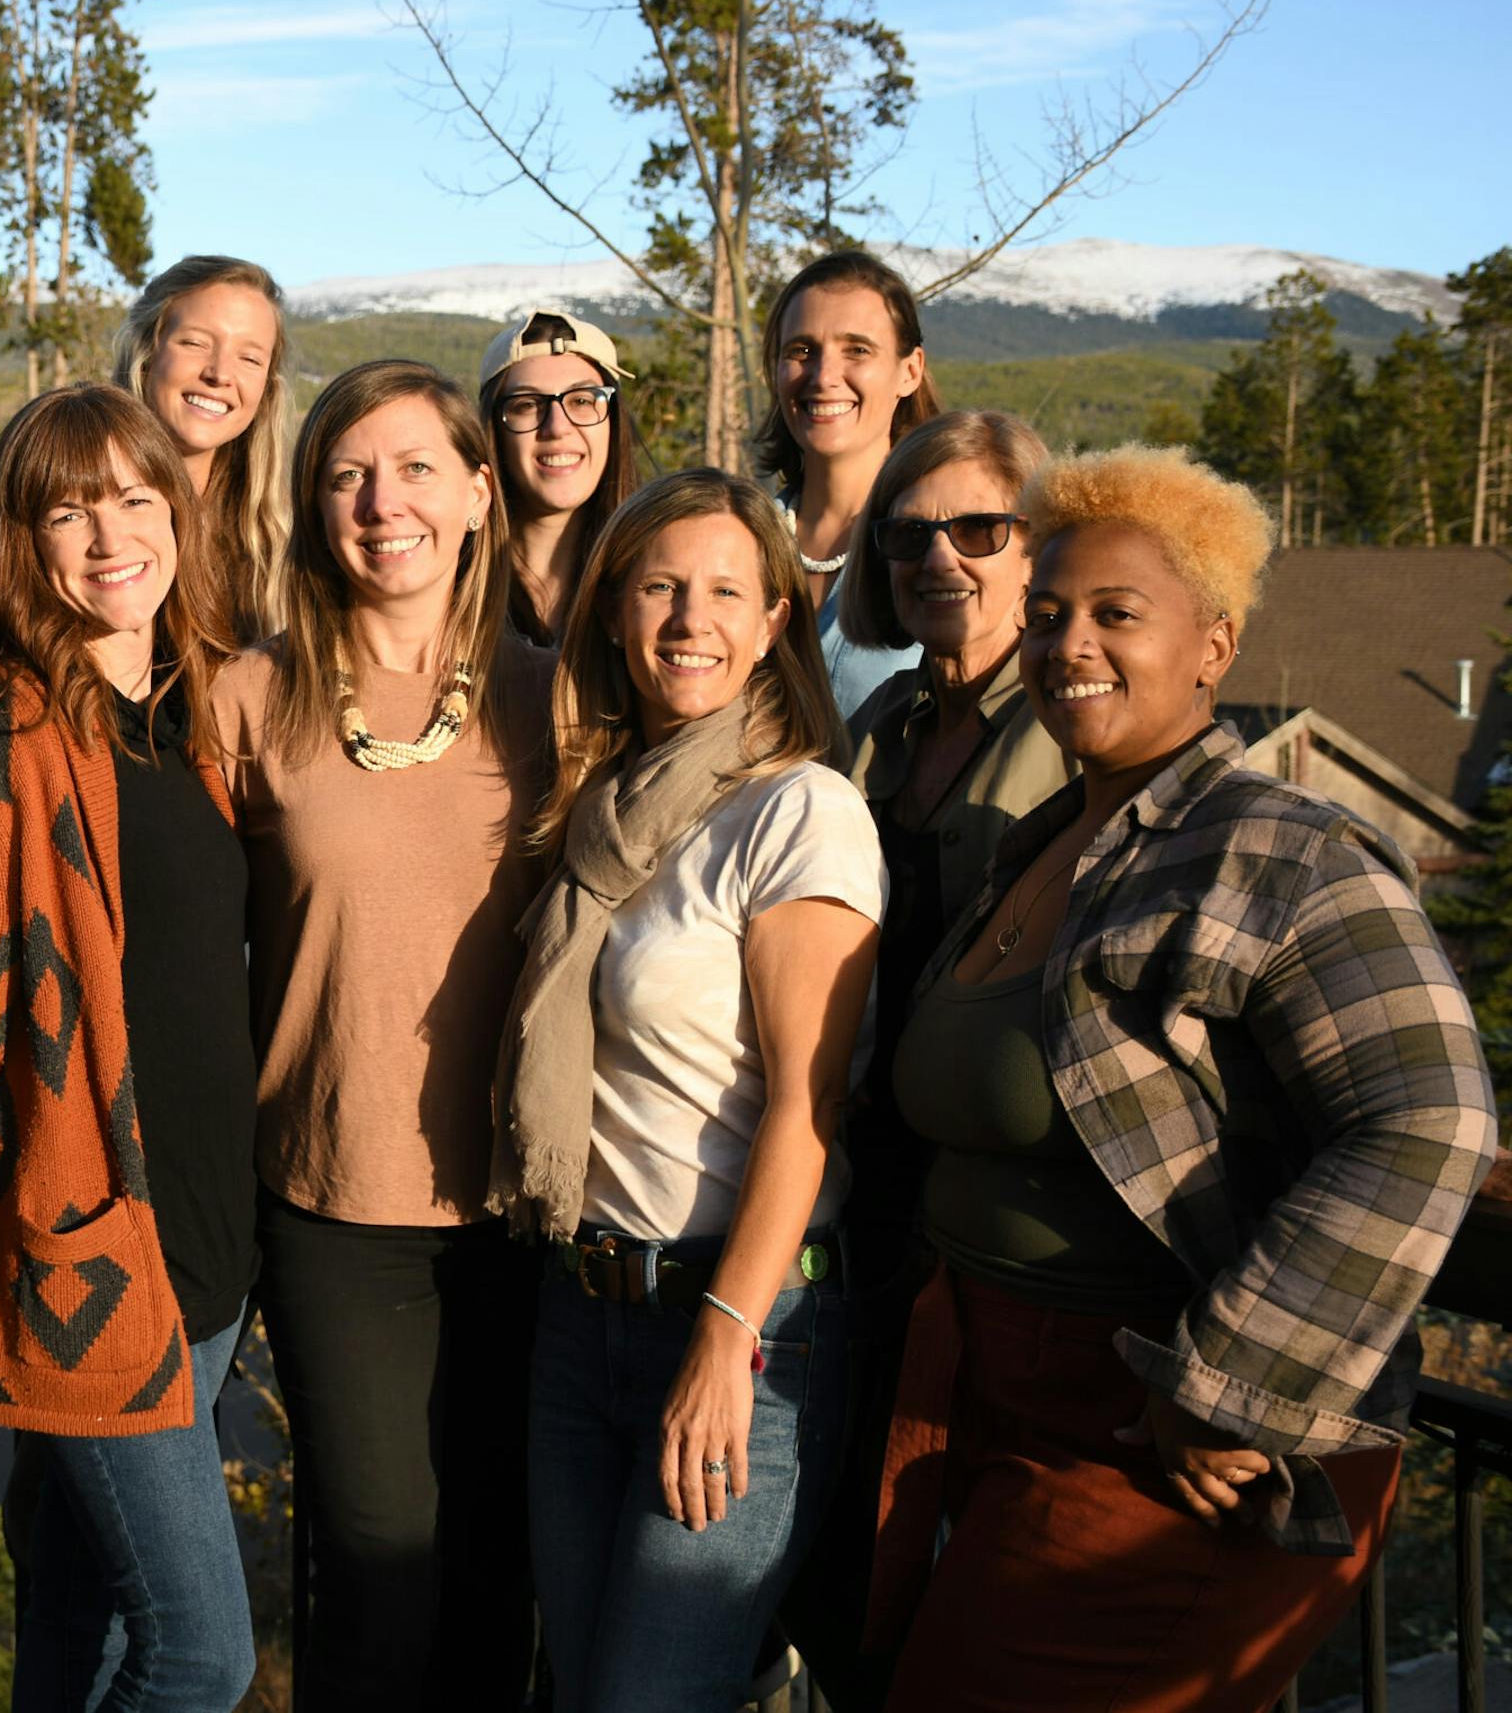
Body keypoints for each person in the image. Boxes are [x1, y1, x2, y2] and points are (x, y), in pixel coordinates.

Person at [870, 447, 1497, 1712]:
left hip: (1161, 1434)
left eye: (1115, 615)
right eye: (1045, 617)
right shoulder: (1057, 839)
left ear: (1213, 647)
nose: (1067, 646)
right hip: (980, 1392)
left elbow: (1431, 1118)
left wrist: (1232, 1385)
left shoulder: (1284, 849)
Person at [495, 467, 880, 1713]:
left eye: (726, 591)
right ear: (613, 612)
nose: (688, 620)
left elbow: (806, 1110)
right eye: (659, 587)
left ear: (776, 621)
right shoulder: (599, 810)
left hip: (738, 1323)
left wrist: (726, 1338)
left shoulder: (799, 812)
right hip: (579, 1312)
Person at [0, 384, 257, 1711]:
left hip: (209, 1248)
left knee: (81, 1625)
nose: (110, 536)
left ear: (175, 512)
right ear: (20, 542)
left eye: (134, 498)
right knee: (201, 1660)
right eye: (68, 509)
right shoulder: (1, 738)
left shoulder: (192, 714)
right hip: (93, 1255)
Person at [211, 359, 555, 1711]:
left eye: (416, 468)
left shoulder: (559, 699)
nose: (382, 501)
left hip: (530, 1208)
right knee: (370, 1562)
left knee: (497, 1567)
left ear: (480, 492)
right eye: (348, 474)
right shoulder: (252, 699)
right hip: (332, 1202)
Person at [778, 409, 1070, 1708]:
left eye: (979, 528)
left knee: (959, 1606)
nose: (939, 556)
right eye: (907, 533)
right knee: (846, 1575)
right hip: (859, 1205)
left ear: (1038, 550)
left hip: (997, 1238)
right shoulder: (885, 724)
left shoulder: (1077, 733)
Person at [0, 255, 293, 641]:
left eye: (250, 358)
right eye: (195, 343)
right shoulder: (58, 478)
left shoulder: (276, 539)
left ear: (267, 388)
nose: (219, 374)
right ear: (146, 353)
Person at [752, 250, 942, 716]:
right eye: (801, 351)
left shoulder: (945, 547)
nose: (823, 376)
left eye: (857, 349)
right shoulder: (741, 542)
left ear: (909, 371)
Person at [476, 307, 647, 648]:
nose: (557, 427)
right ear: (493, 430)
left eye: (583, 400)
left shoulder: (653, 575)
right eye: (527, 405)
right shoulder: (452, 586)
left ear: (613, 422)